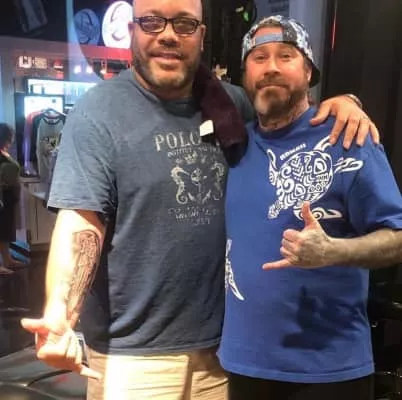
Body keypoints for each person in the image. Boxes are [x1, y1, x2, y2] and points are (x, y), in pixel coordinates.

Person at [21, 1, 379, 399]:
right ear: (133, 31)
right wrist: (60, 314)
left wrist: (346, 103)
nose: (168, 35)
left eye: (184, 24)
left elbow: (288, 107)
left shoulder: (232, 104)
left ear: (201, 35)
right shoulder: (99, 112)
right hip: (135, 358)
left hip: (222, 353)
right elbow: (81, 223)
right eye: (152, 22)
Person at [219, 15, 402, 400]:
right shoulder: (235, 144)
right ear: (245, 76)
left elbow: (397, 237)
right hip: (244, 365)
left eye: (286, 55)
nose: (271, 67)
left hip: (329, 371)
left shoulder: (348, 138)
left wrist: (333, 251)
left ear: (309, 72)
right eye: (259, 58)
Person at [0, 123, 24, 274]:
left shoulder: (4, 152)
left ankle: (7, 260)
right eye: (10, 136)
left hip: (9, 198)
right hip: (2, 197)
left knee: (5, 231)